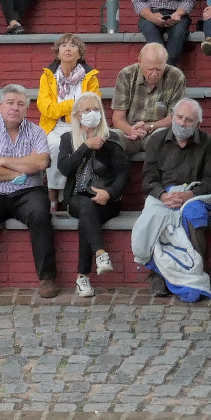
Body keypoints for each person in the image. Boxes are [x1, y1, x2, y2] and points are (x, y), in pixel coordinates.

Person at [0, 85, 57, 299]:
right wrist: (20, 171)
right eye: (10, 103)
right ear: (0, 106)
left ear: (27, 109)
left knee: (40, 214)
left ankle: (47, 278)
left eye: (20, 104)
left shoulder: (36, 132)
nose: (15, 107)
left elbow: (41, 162)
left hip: (29, 193)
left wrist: (2, 161)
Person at [130, 98, 211, 297]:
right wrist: (163, 196)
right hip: (162, 194)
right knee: (155, 219)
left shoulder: (208, 143)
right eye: (179, 117)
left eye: (189, 120)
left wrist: (189, 194)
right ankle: (157, 276)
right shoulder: (157, 140)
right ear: (172, 117)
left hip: (193, 194)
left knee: (193, 215)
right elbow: (149, 179)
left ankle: (195, 272)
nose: (182, 123)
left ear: (198, 124)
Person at [55, 92, 127, 297]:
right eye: (87, 110)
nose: (92, 113)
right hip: (76, 198)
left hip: (107, 201)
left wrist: (109, 194)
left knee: (87, 219)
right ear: (77, 115)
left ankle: (82, 278)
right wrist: (85, 147)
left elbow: (123, 174)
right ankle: (100, 254)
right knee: (86, 207)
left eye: (96, 110)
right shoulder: (68, 139)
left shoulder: (112, 139)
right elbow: (64, 168)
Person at [37, 33, 101, 210]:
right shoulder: (48, 76)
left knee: (84, 145)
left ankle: (72, 192)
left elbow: (93, 104)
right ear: (57, 53)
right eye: (63, 45)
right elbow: (47, 108)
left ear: (80, 53)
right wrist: (75, 104)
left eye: (73, 46)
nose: (68, 49)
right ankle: (53, 193)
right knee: (55, 144)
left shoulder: (90, 76)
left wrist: (68, 108)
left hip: (84, 124)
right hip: (55, 125)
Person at [111, 42, 186, 156]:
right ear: (139, 62)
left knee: (165, 138)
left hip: (156, 131)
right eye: (150, 69)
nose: (154, 74)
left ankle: (153, 168)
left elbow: (174, 118)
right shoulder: (126, 74)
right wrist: (131, 130)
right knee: (109, 139)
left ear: (165, 63)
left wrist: (149, 127)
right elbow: (118, 118)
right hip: (129, 130)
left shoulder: (176, 77)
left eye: (159, 69)